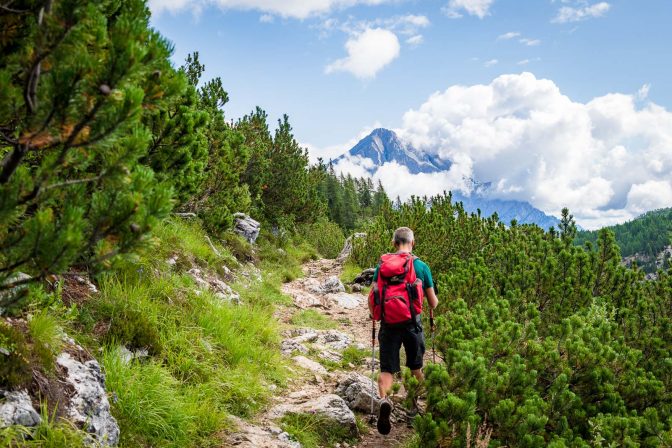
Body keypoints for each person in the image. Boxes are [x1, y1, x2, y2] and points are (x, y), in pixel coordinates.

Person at [368, 226, 439, 435]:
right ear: (413, 243)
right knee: (416, 367)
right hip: (412, 324)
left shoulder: (383, 266)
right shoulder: (422, 266)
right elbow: (433, 303)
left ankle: (384, 401)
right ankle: (414, 409)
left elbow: (373, 297)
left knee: (387, 369)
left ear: (393, 244)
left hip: (389, 323)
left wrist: (375, 316)